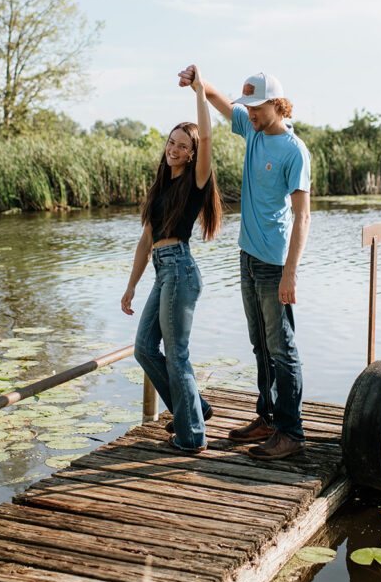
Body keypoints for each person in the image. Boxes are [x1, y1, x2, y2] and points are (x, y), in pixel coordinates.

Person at [178, 67, 311, 460]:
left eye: (256, 106)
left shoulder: (294, 150)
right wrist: (199, 83)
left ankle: (292, 432)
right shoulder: (251, 130)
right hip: (248, 257)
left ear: (276, 104)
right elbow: (218, 99)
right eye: (247, 105)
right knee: (260, 345)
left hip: (274, 264)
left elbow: (303, 217)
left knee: (281, 348)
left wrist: (291, 272)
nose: (249, 112)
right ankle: (267, 418)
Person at [121, 66, 222, 453]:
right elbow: (145, 242)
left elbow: (209, 134)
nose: (174, 148)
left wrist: (199, 91)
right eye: (171, 142)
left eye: (183, 145)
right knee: (144, 348)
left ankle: (192, 436)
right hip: (164, 273)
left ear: (193, 152)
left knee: (176, 355)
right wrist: (130, 285)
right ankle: (194, 406)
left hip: (180, 269)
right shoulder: (161, 188)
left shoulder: (195, 181)